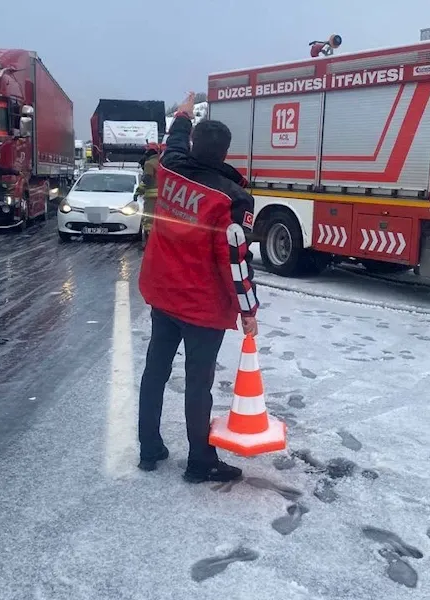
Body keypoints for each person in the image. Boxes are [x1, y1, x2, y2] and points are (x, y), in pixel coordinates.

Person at [137, 93, 260, 483]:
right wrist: (248, 311)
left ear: (193, 145)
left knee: (154, 371)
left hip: (163, 294)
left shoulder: (171, 167)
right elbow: (236, 262)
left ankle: (149, 447)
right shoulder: (233, 199)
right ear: (225, 154)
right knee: (198, 384)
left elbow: (174, 139)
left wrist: (185, 112)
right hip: (202, 306)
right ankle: (200, 461)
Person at [134, 142, 160, 248]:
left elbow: (147, 180)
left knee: (148, 220)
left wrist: (138, 192)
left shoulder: (149, 163)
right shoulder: (161, 162)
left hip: (151, 197)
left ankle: (149, 244)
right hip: (162, 197)